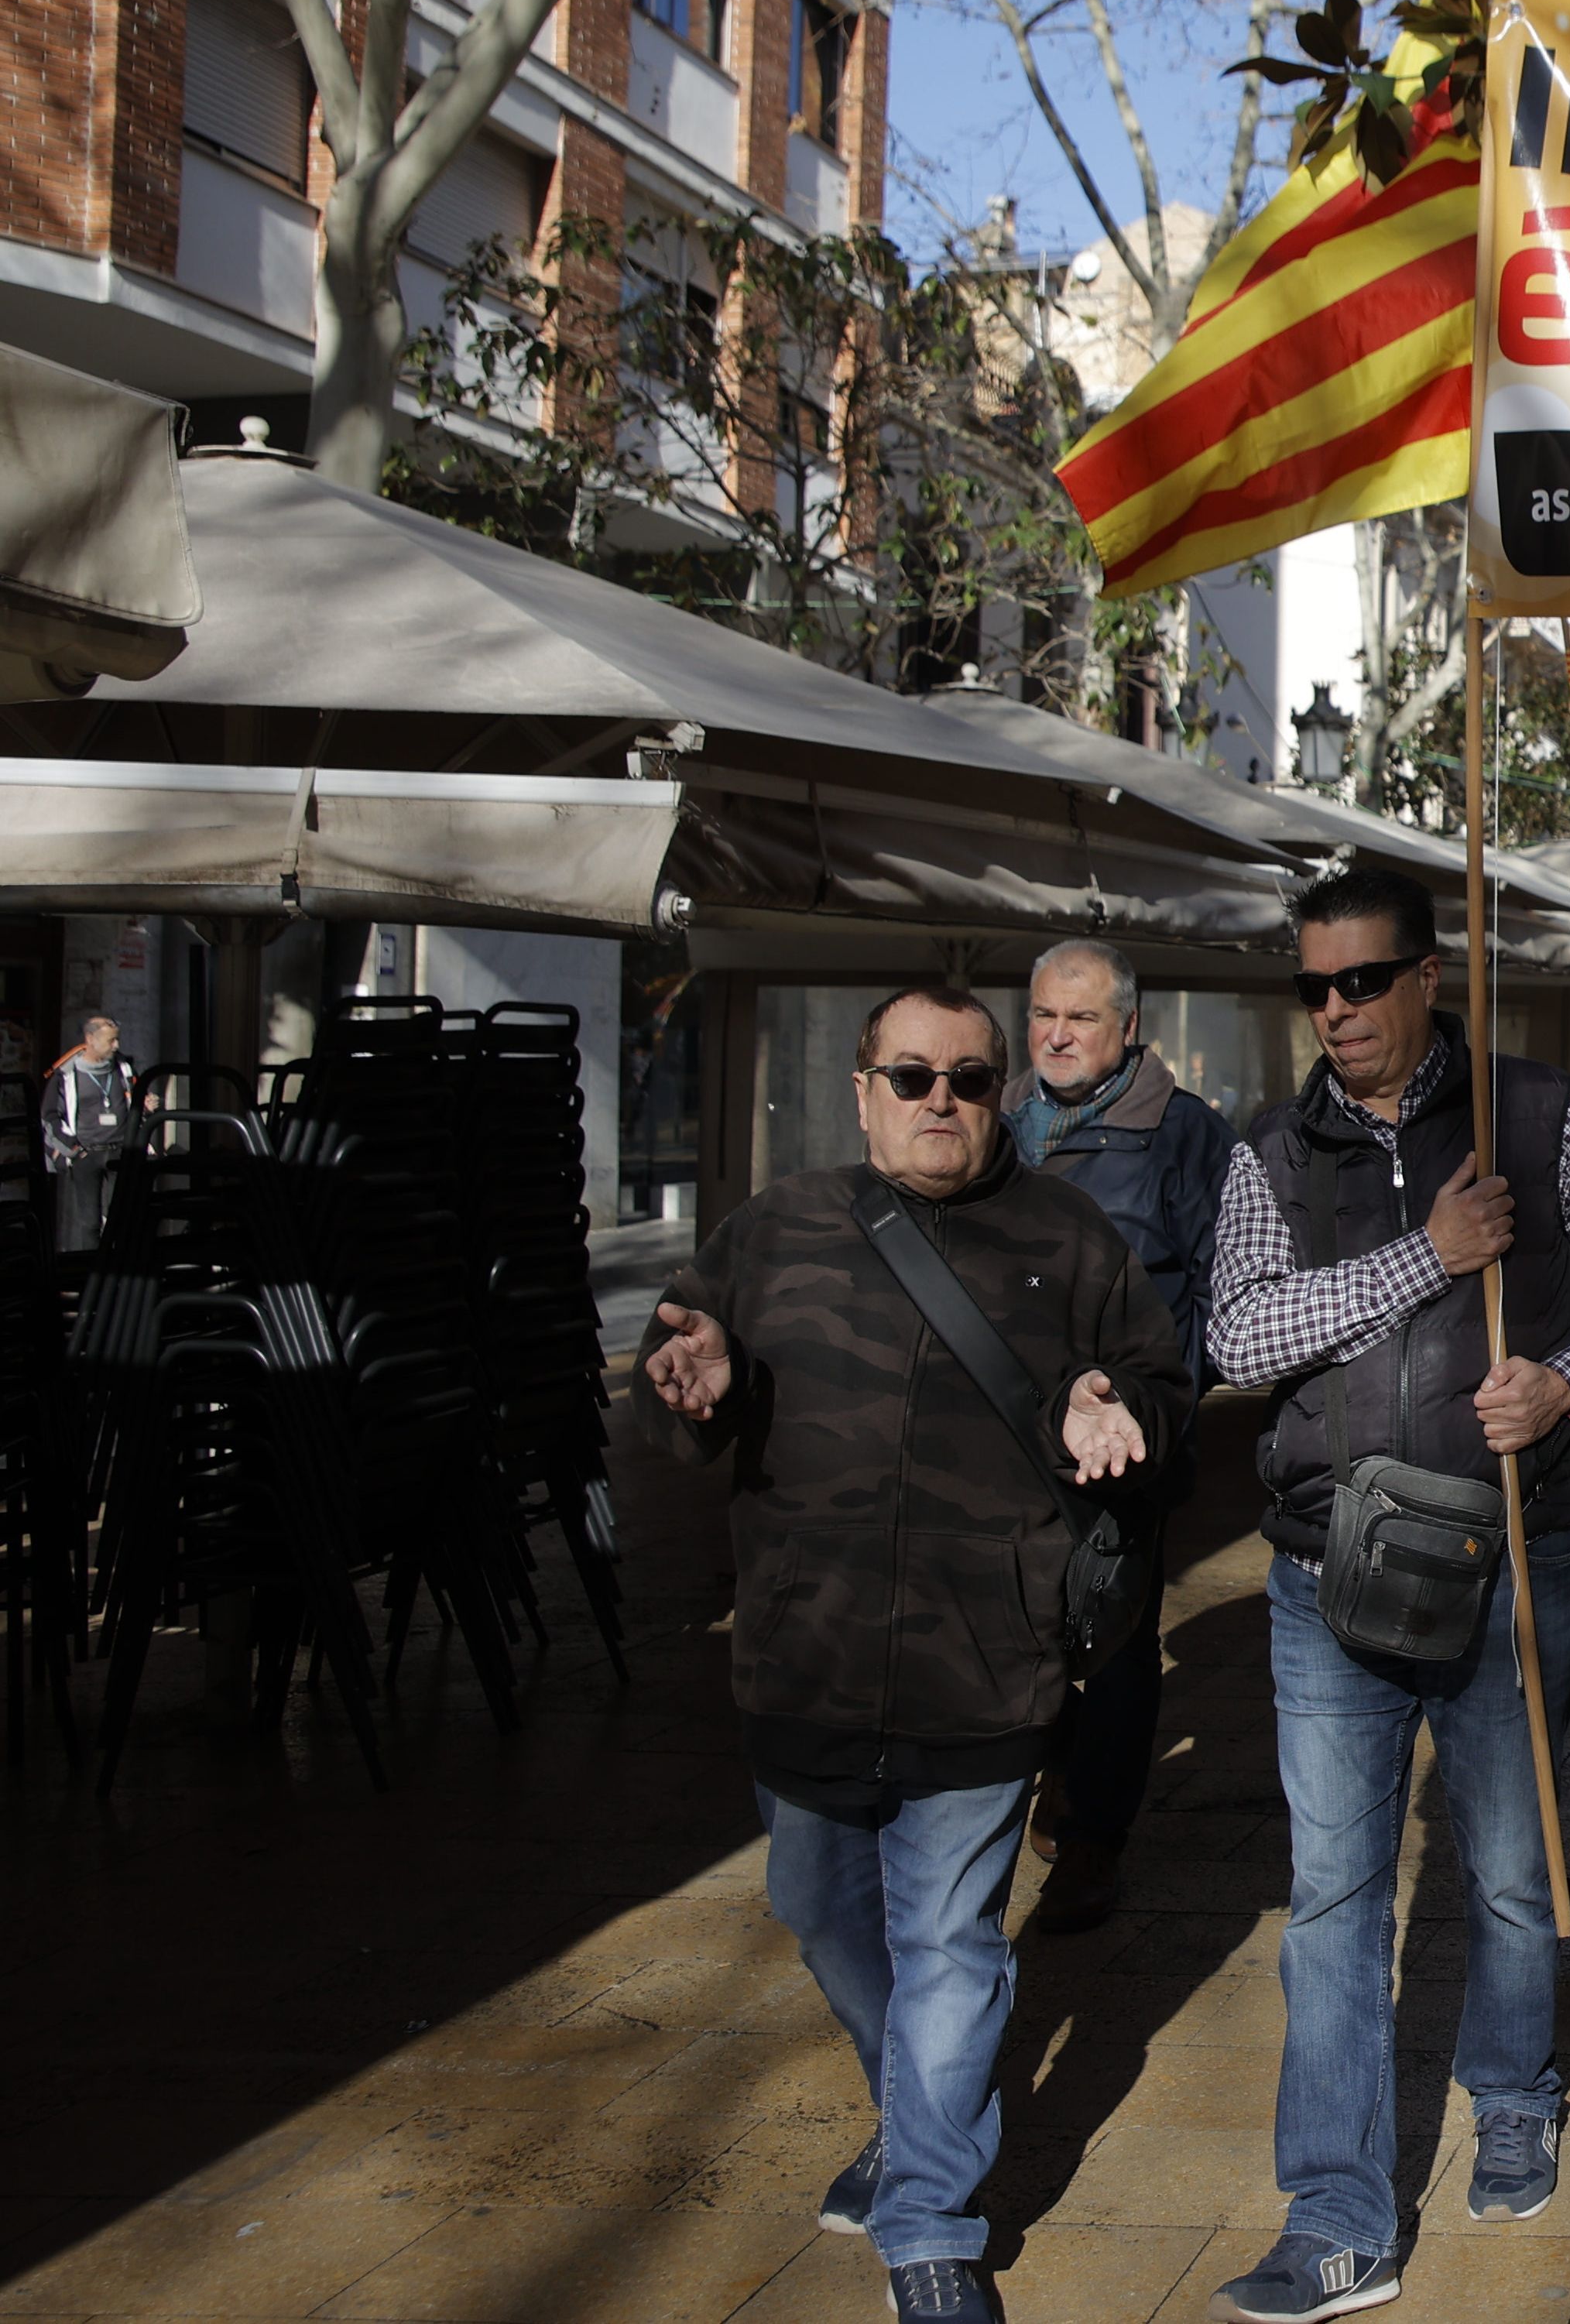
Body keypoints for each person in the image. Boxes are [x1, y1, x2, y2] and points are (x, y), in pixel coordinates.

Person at [639, 988, 1191, 2324]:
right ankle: (918, 2107)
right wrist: (691, 1387)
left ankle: (931, 2217)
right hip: (804, 1661)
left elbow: (1164, 1392)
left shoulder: (1068, 1231)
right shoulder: (769, 1231)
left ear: (1004, 1092)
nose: (942, 1099)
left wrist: (1115, 1405)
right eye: (913, 1074)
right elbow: (675, 1393)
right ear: (863, 1088)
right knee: (819, 1908)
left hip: (988, 1664)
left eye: (971, 1078)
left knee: (950, 1943)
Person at [1202, 866, 1570, 2316]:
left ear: (1427, 975)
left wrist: (1562, 1380)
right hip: (1324, 1571)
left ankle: (1516, 2084)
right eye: (1314, 986)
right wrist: (1429, 1257)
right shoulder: (1266, 1151)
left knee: (1512, 1860)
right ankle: (1339, 2215)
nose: (1335, 1010)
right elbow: (1235, 1334)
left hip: (1510, 1550)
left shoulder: (1540, 1117)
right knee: (1334, 1893)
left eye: (1360, 980)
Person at [999, 937, 1236, 1934]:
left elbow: (1228, 1293)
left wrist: (1158, 1406)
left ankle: (1095, 1841)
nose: (1056, 1034)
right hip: (1003, 1442)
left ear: (1127, 1028)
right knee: (1019, 1626)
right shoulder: (992, 1119)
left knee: (1116, 1636)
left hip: (1124, 1447)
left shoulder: (1186, 1136)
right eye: (1045, 1014)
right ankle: (1056, 1782)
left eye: (1081, 1017)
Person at [37, 1013, 132, 1253]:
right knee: (89, 1222)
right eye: (111, 1040)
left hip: (121, 1152)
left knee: (121, 1219)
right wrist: (73, 1149)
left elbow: (134, 1099)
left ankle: (120, 1276)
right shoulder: (66, 1074)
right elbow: (49, 1117)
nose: (116, 1046)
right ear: (90, 1039)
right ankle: (91, 1276)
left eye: (117, 1040)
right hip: (85, 1154)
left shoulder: (124, 1068)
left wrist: (148, 1108)